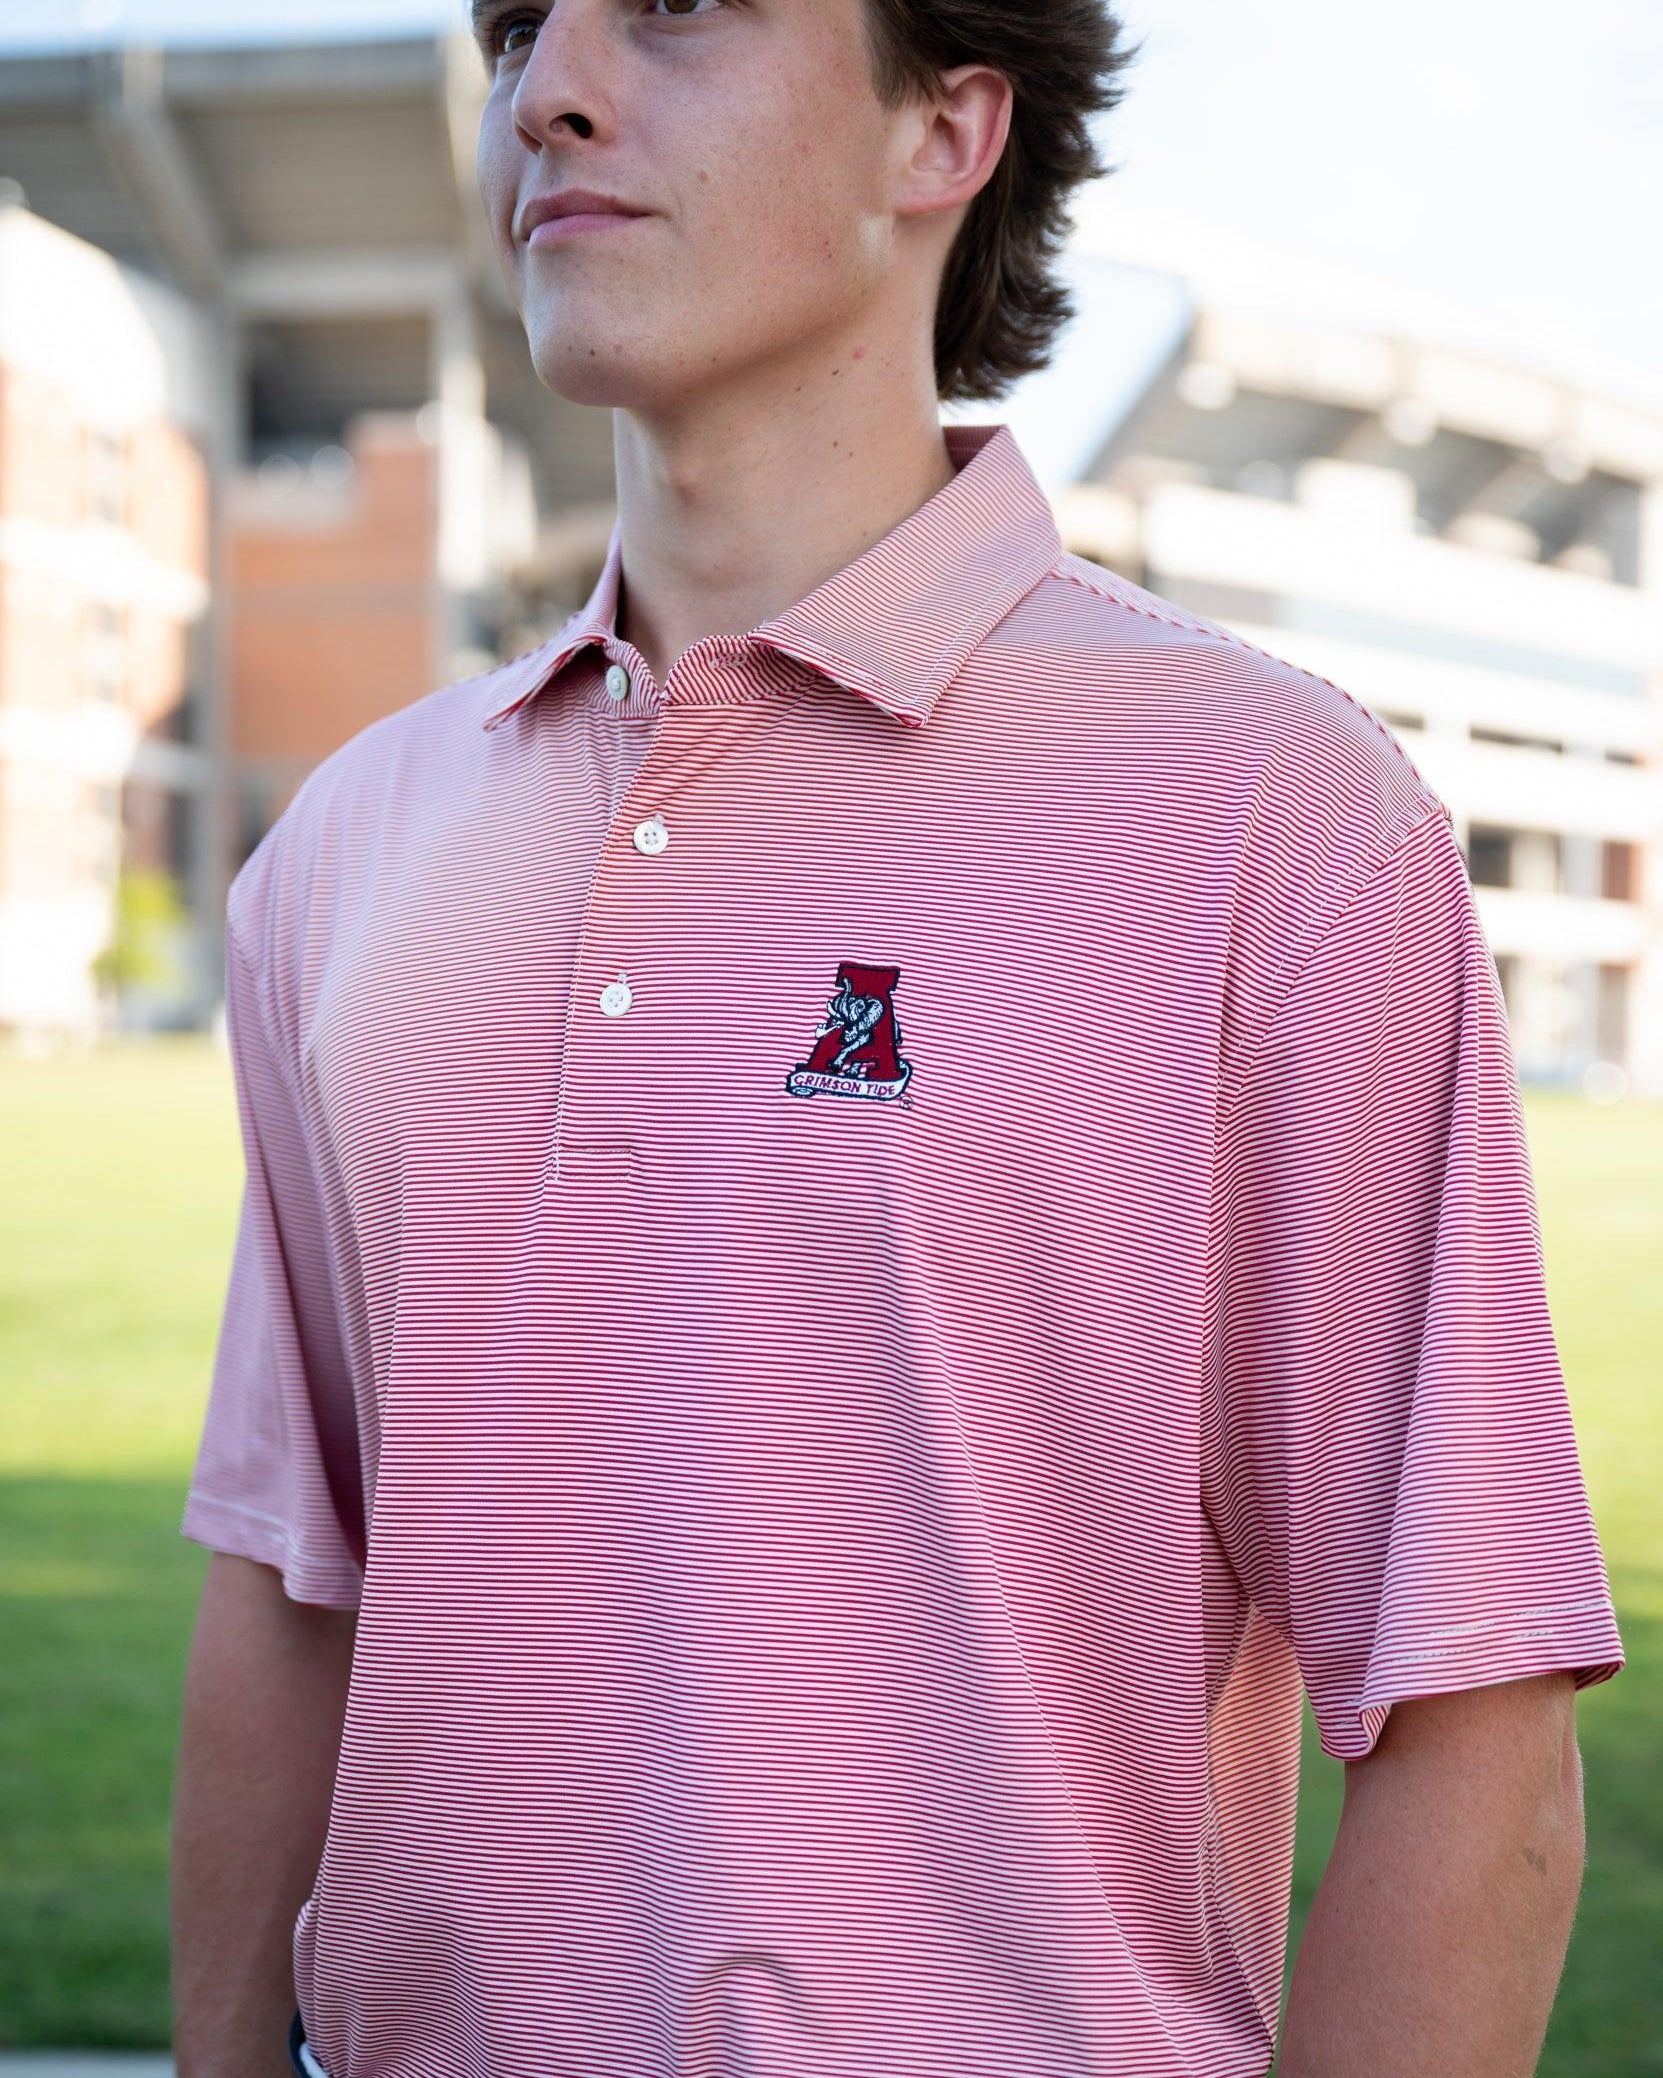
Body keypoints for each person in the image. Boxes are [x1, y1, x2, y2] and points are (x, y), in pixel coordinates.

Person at [168, 1, 1626, 2073]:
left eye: (676, 5)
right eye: (514, 24)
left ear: (941, 129)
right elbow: (293, 1579)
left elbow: (1475, 1721)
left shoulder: (1270, 814)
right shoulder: (342, 847)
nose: (545, 85)